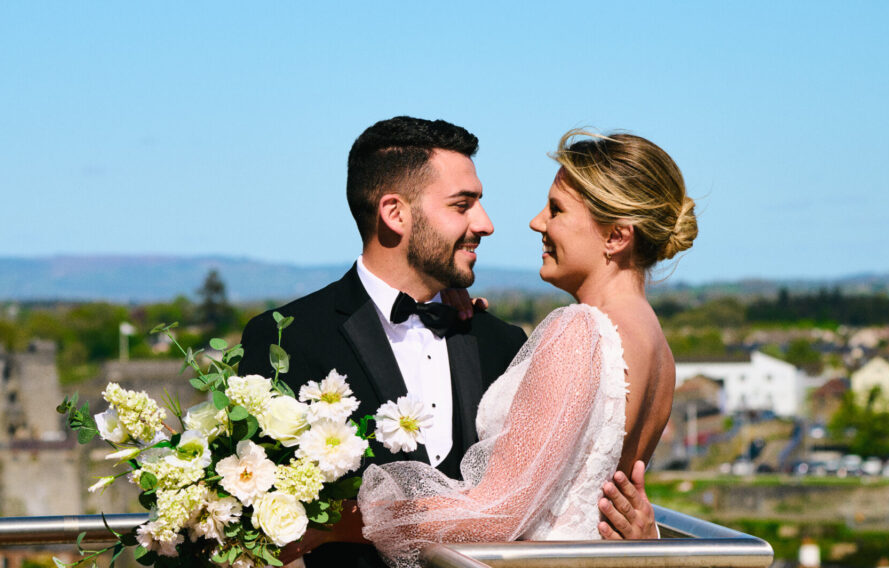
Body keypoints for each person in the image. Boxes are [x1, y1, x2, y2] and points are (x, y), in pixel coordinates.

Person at [294, 129, 695, 568]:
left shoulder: (579, 329)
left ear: (616, 237)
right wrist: (647, 538)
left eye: (556, 210)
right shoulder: (656, 343)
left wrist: (342, 521)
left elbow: (497, 512)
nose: (536, 222)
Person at [239, 116, 529, 568]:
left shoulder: (501, 343)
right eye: (462, 204)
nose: (485, 224)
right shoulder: (286, 339)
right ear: (395, 213)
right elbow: (254, 529)